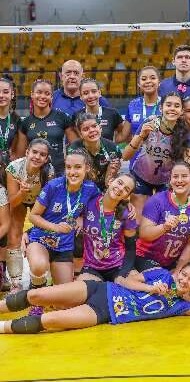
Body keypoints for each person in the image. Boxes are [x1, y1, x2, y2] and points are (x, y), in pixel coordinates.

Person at [0, 261, 190, 334]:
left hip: (106, 312)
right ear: (179, 272)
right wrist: (149, 289)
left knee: (50, 321)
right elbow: (125, 281)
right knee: (37, 294)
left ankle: (3, 327)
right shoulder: (162, 275)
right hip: (101, 290)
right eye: (184, 274)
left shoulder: (180, 305)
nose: (184, 280)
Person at [25, 149, 100, 315]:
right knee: (39, 266)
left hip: (64, 247)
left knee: (64, 304)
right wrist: (56, 227)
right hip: (41, 239)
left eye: (77, 167)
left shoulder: (90, 188)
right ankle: (37, 294)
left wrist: (82, 217)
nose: (72, 172)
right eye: (68, 167)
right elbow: (33, 216)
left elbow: (101, 206)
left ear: (87, 168)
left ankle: (48, 293)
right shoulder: (54, 186)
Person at [122, 92, 190, 217]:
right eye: (168, 105)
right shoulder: (150, 122)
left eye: (176, 106)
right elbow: (126, 156)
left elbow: (189, 164)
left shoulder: (184, 131)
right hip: (141, 176)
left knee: (164, 218)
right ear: (161, 108)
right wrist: (141, 135)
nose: (172, 108)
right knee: (137, 219)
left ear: (181, 111)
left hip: (166, 180)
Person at [136, 162, 190, 273]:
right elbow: (144, 235)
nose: (179, 180)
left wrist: (178, 271)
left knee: (187, 282)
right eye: (175, 176)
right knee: (161, 280)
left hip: (172, 263)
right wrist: (164, 227)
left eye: (184, 176)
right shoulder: (157, 200)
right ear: (170, 180)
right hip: (145, 257)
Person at [5, 139, 55, 292]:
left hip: (39, 201)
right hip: (18, 200)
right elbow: (13, 202)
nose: (37, 157)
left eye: (42, 154)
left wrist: (33, 229)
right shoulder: (13, 168)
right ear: (27, 152)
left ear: (46, 159)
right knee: (14, 237)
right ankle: (16, 282)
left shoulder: (49, 171)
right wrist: (22, 191)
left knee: (45, 234)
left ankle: (44, 277)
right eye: (34, 152)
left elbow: (48, 201)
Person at [77, 174, 138, 283]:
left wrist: (122, 274)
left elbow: (131, 249)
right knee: (82, 291)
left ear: (126, 196)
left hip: (118, 264)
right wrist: (79, 216)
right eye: (120, 183)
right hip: (91, 266)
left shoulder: (127, 213)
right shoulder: (89, 202)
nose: (120, 189)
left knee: (134, 286)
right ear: (110, 181)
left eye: (126, 189)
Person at [17, 80, 78, 175]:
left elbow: (76, 146)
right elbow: (20, 156)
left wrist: (70, 164)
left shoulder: (62, 117)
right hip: (34, 174)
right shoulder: (25, 122)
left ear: (51, 97)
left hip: (59, 172)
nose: (42, 96)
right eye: (39, 92)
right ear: (32, 94)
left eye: (47, 93)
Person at [68, 113, 121, 191]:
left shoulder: (112, 147)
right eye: (86, 129)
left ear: (100, 128)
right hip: (82, 187)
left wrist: (109, 181)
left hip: (105, 186)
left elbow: (113, 175)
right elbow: (74, 175)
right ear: (81, 134)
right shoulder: (74, 149)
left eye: (94, 126)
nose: (92, 130)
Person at [72, 78, 129, 143]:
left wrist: (111, 145)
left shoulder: (112, 113)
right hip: (85, 153)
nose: (90, 96)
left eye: (94, 91)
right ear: (81, 96)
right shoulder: (77, 115)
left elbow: (122, 133)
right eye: (85, 93)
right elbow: (78, 137)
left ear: (99, 93)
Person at [126, 66, 162, 140]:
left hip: (161, 151)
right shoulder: (132, 105)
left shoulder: (167, 104)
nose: (148, 81)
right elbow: (124, 135)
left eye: (152, 78)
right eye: (144, 79)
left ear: (159, 82)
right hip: (137, 150)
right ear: (139, 84)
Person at [0, 77, 21, 166]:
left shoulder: (17, 120)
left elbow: (18, 150)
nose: (1, 95)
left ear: (12, 94)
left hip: (10, 169)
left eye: (5, 92)